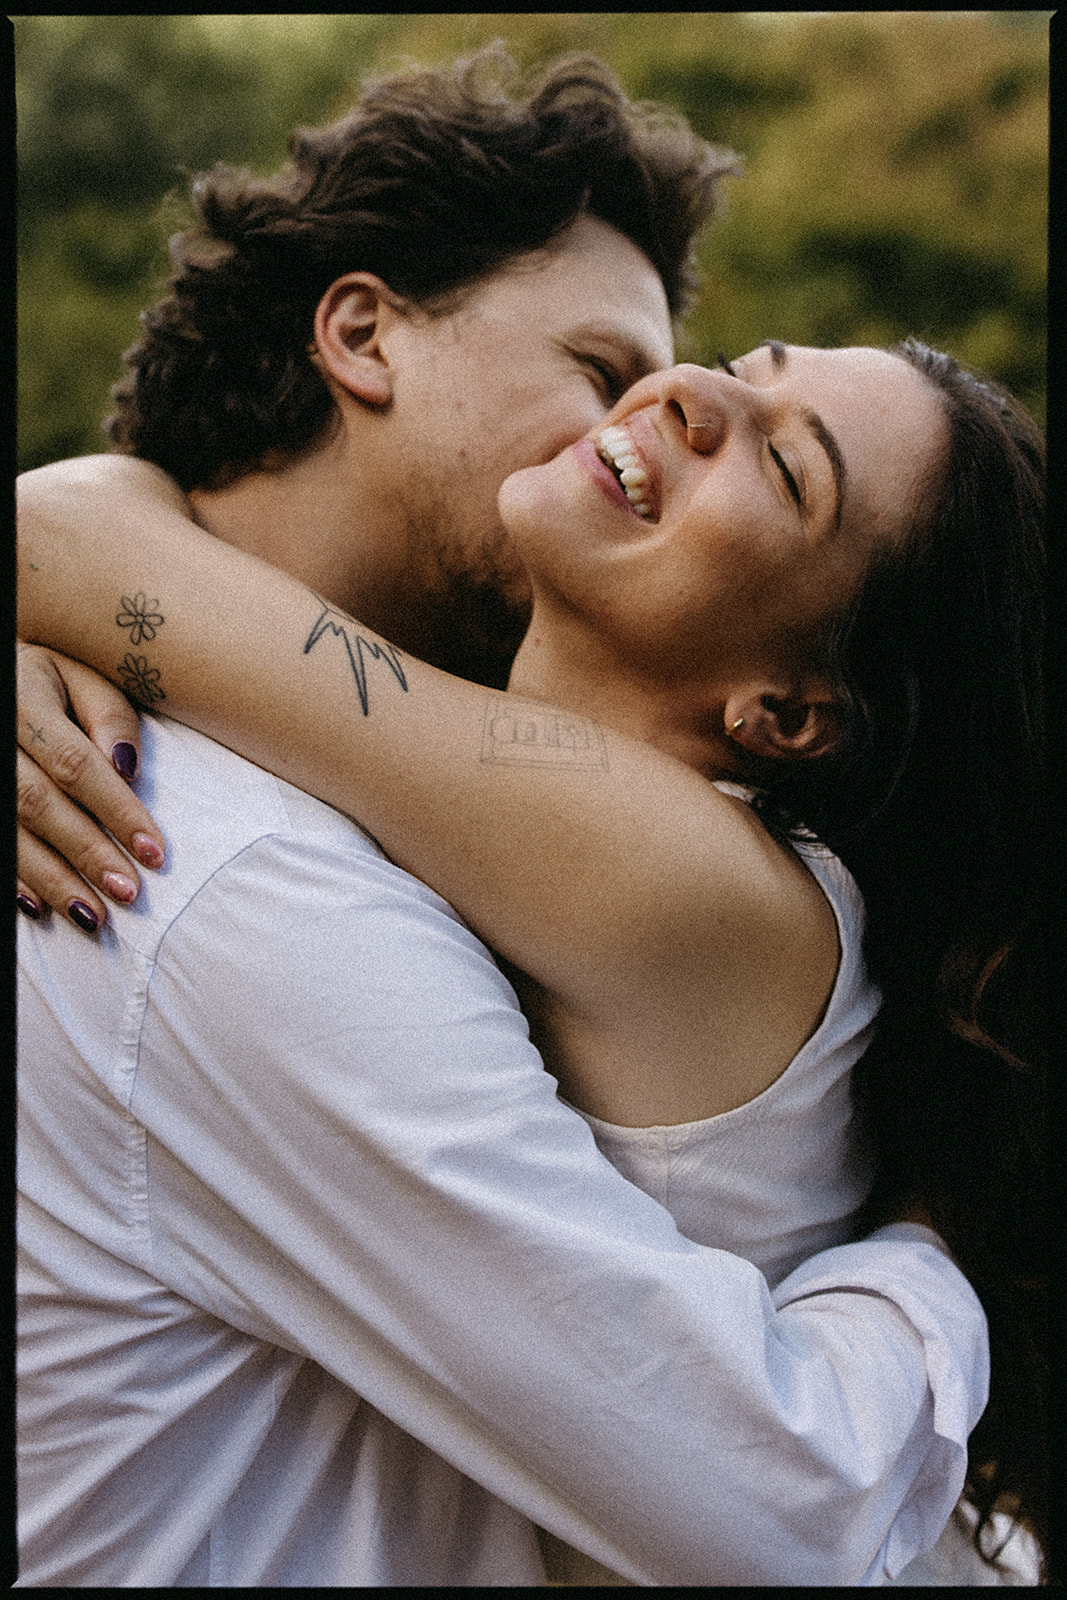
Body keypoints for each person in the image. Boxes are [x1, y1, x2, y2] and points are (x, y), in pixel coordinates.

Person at [14, 48, 1042, 1588]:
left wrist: (932, 1254)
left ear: (783, 717)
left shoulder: (684, 880)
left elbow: (75, 549)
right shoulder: (252, 851)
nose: (669, 397)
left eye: (784, 461)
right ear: (359, 336)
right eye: (615, 367)